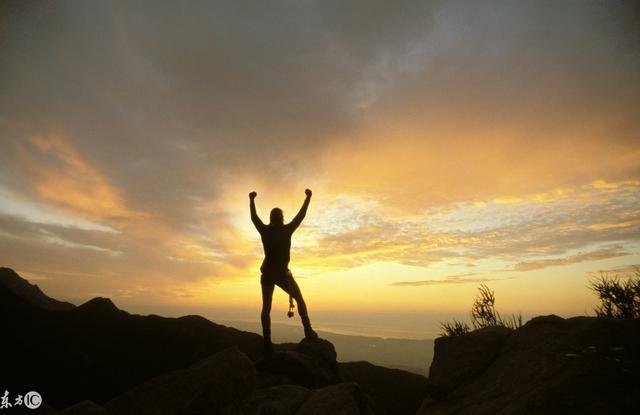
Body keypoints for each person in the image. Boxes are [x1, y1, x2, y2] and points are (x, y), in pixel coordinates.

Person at [249, 188, 317, 353]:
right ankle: (308, 330)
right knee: (299, 299)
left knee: (266, 308)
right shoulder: (286, 230)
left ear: (271, 218)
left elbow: (254, 218)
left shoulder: (265, 231)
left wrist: (251, 200)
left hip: (267, 273)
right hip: (281, 274)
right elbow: (301, 216)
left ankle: (267, 342)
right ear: (282, 218)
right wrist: (308, 198)